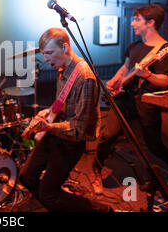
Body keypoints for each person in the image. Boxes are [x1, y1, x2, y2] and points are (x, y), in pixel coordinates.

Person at [92, 4, 168, 194]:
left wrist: (147, 75)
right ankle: (96, 170)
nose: (132, 24)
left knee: (153, 144)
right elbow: (126, 67)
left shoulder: (164, 49)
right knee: (108, 135)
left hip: (146, 101)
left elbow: (164, 81)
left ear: (150, 22)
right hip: (124, 97)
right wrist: (115, 80)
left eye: (137, 20)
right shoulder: (135, 45)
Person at [18, 27, 110, 211]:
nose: (45, 59)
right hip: (57, 132)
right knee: (26, 177)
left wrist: (49, 128)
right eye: (44, 54)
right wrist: (48, 112)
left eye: (49, 53)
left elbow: (78, 129)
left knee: (48, 194)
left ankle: (100, 209)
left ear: (65, 47)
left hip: (71, 141)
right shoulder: (62, 68)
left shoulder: (85, 77)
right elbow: (63, 103)